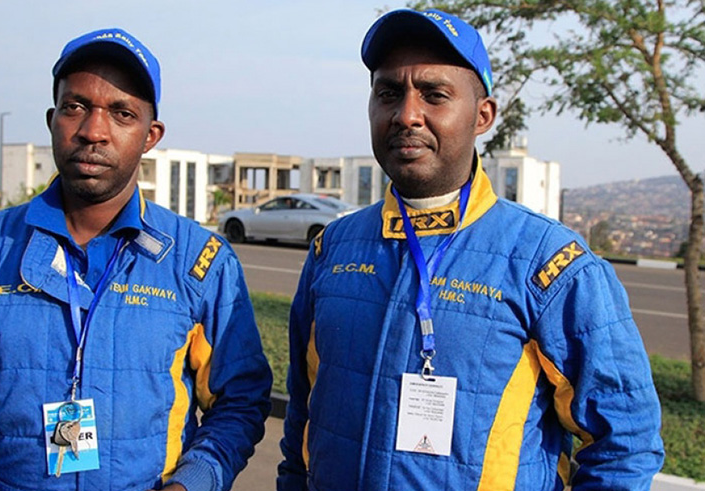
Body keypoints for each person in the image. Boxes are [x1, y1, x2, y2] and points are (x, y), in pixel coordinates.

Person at [278, 9, 664, 491]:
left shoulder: (549, 264)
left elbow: (623, 443)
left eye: (435, 95)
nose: (406, 115)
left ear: (483, 115)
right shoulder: (332, 249)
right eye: (388, 93)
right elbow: (302, 413)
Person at [0, 28, 272, 491]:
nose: (93, 130)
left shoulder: (200, 263)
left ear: (150, 135)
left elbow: (239, 401)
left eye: (122, 113)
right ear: (52, 119)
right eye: (76, 107)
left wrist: (192, 482)